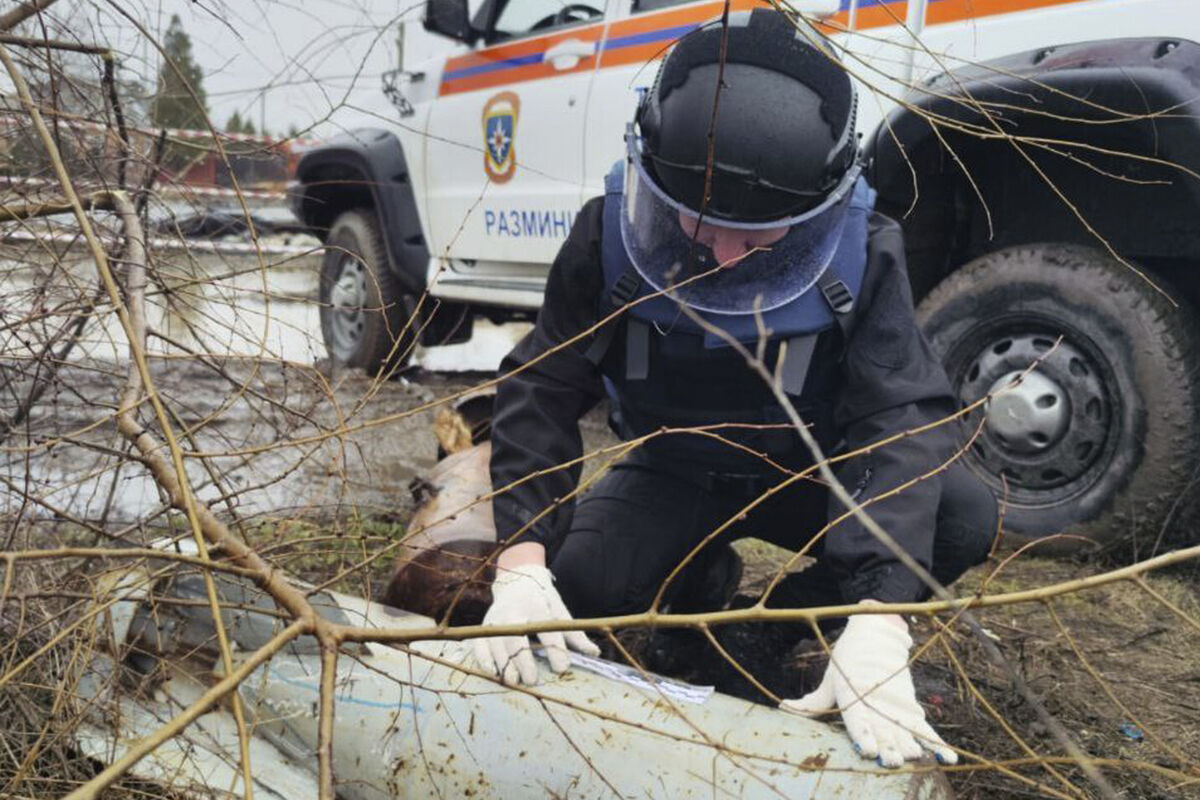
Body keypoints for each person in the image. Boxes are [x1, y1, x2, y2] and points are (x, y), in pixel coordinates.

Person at [473, 9, 997, 768]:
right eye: (697, 223)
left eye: (755, 239)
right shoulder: (607, 236)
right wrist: (519, 561)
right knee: (580, 588)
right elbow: (541, 386)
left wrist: (881, 614)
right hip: (675, 466)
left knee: (959, 517)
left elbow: (902, 414)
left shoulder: (864, 251)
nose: (722, 254)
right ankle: (697, 569)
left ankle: (768, 627)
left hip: (802, 472)